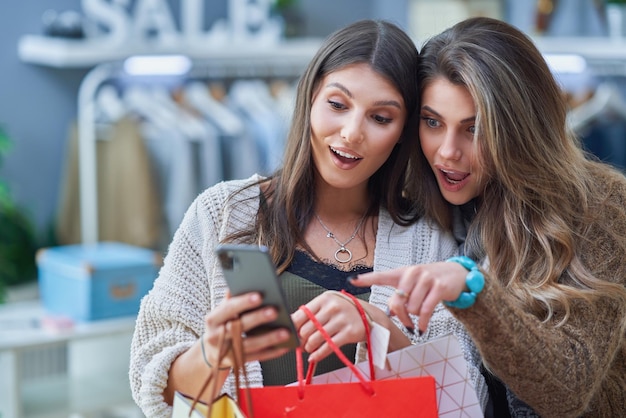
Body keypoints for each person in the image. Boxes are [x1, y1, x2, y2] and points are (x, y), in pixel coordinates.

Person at [129, 19, 467, 418]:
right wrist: (213, 353)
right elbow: (149, 379)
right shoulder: (221, 213)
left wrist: (377, 326)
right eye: (338, 105)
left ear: (402, 132)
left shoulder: (429, 240)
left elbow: (460, 394)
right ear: (309, 100)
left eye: (380, 118)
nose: (351, 132)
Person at [349, 16, 626, 417]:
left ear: (520, 130)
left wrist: (473, 291)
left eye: (474, 129)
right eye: (432, 122)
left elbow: (567, 390)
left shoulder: (600, 207)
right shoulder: (420, 209)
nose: (447, 151)